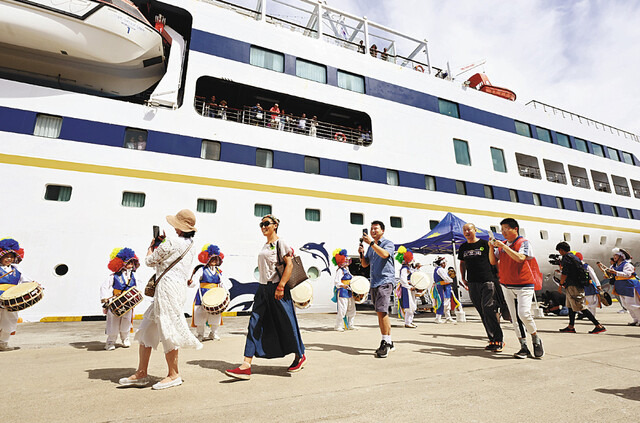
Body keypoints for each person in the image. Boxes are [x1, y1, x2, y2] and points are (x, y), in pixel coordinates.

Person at [119, 209, 201, 390]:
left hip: (167, 288)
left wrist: (151, 247)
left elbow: (150, 261)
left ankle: (174, 374)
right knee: (148, 327)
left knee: (168, 327)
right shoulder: (190, 244)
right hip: (177, 288)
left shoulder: (171, 242)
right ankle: (141, 373)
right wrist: (162, 245)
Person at [226, 214, 306, 380]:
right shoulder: (265, 245)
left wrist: (281, 286)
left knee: (287, 322)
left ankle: (300, 355)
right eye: (261, 224)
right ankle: (246, 365)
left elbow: (289, 265)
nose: (263, 227)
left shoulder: (280, 243)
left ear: (275, 225)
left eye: (266, 224)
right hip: (262, 289)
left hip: (277, 289)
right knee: (254, 323)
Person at [490, 218, 544, 359]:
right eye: (502, 230)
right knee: (515, 318)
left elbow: (521, 258)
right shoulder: (503, 246)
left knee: (524, 314)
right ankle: (523, 347)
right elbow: (492, 261)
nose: (503, 232)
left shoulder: (523, 243)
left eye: (506, 228)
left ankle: (535, 338)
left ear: (515, 229)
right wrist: (491, 247)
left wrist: (504, 247)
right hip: (507, 285)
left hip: (524, 285)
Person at [458, 223, 504, 352]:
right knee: (481, 311)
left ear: (475, 230)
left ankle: (498, 339)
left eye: (469, 229)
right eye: (464, 230)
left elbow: (494, 259)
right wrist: (463, 277)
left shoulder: (484, 244)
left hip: (487, 280)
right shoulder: (463, 247)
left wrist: (499, 275)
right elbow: (462, 263)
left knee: (488, 308)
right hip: (472, 282)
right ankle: (492, 339)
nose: (467, 231)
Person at [358, 221, 396, 358]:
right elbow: (364, 264)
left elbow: (385, 255)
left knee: (382, 311)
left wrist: (371, 244)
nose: (373, 231)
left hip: (385, 281)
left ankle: (385, 342)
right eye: (371, 229)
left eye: (376, 229)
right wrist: (362, 254)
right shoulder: (370, 247)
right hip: (374, 282)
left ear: (383, 231)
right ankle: (389, 341)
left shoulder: (388, 243)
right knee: (380, 312)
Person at [555, 242, 606, 334]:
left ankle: (598, 325)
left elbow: (565, 273)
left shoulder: (566, 258)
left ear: (561, 250)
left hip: (573, 285)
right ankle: (571, 326)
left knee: (580, 306)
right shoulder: (575, 258)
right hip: (576, 284)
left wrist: (560, 284)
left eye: (559, 251)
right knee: (571, 306)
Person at [188, 244, 231, 341]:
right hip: (202, 294)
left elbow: (222, 282)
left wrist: (226, 293)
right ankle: (200, 334)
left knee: (215, 314)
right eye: (212, 259)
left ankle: (213, 333)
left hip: (216, 295)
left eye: (216, 260)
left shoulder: (218, 271)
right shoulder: (201, 270)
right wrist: (191, 283)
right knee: (200, 314)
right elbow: (194, 281)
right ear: (207, 259)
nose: (214, 261)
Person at [100, 247, 140, 351]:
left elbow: (137, 288)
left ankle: (125, 339)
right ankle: (110, 342)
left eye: (132, 261)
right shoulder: (114, 276)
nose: (131, 263)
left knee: (126, 321)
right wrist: (105, 299)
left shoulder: (134, 276)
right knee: (113, 322)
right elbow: (104, 287)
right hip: (115, 302)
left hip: (128, 303)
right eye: (128, 261)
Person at [0, 238, 31, 351]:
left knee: (10, 319)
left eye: (11, 257)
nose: (9, 259)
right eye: (6, 256)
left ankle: (3, 343)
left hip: (11, 299)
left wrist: (35, 285)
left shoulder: (16, 270)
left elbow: (26, 282)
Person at [599, 248, 640, 325]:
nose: (614, 256)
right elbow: (611, 275)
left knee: (632, 303)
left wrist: (615, 272)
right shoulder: (614, 266)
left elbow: (628, 274)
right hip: (620, 285)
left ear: (621, 256)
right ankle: (635, 319)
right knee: (626, 304)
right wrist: (607, 275)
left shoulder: (627, 265)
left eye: (616, 255)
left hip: (629, 284)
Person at [332, 249, 356, 331]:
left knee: (352, 308)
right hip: (343, 292)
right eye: (345, 260)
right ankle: (338, 325)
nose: (347, 262)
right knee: (342, 309)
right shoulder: (340, 271)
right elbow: (336, 282)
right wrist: (343, 285)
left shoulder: (347, 270)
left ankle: (350, 324)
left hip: (349, 291)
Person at [431, 257, 458, 323]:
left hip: (445, 287)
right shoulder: (440, 269)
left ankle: (448, 317)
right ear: (442, 263)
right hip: (442, 288)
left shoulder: (439, 269)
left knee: (447, 303)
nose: (445, 264)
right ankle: (438, 318)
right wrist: (451, 280)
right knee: (441, 302)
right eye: (445, 263)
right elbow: (446, 278)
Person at [575, 252, 602, 317]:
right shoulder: (575, 266)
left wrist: (598, 285)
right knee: (580, 301)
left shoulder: (587, 266)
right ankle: (581, 314)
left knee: (591, 302)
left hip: (588, 286)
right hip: (580, 286)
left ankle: (592, 315)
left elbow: (593, 276)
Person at [396, 247, 417, 328]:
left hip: (409, 288)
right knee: (409, 306)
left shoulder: (408, 268)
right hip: (407, 289)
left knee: (412, 306)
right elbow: (403, 280)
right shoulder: (404, 269)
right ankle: (407, 322)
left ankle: (410, 321)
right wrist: (409, 286)